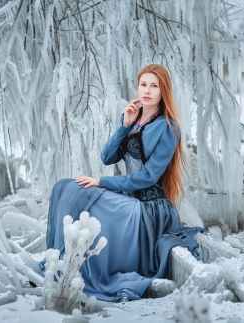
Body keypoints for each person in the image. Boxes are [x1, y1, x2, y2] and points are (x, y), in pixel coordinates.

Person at [44, 64, 205, 302]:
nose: (147, 90)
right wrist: (125, 125)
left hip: (148, 207)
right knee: (66, 187)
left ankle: (87, 269)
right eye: (143, 84)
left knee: (87, 192)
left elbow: (147, 177)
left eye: (154, 85)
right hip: (127, 199)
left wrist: (101, 181)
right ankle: (63, 261)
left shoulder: (169, 127)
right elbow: (107, 157)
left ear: (163, 91)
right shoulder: (133, 117)